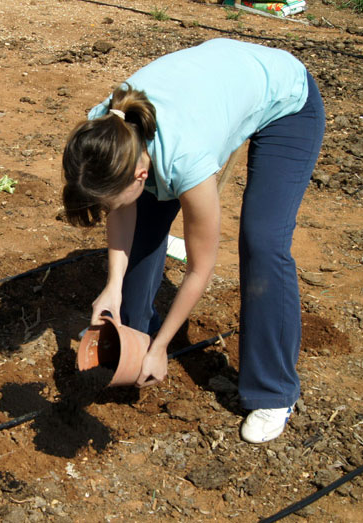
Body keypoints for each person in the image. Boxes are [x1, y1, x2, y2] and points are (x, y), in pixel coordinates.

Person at [61, 38, 324, 443]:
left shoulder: (186, 159)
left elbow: (201, 267)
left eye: (119, 196)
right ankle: (135, 334)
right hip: (217, 86)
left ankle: (274, 392)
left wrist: (163, 345)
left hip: (286, 100)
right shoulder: (105, 131)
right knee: (143, 222)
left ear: (140, 174)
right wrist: (111, 287)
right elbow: (122, 209)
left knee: (263, 243)